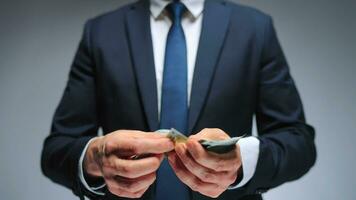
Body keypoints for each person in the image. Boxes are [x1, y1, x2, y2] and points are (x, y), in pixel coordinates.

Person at [41, 0, 316, 199]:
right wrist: (93, 159)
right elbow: (56, 149)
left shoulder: (255, 28)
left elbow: (298, 142)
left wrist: (242, 161)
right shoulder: (100, 32)